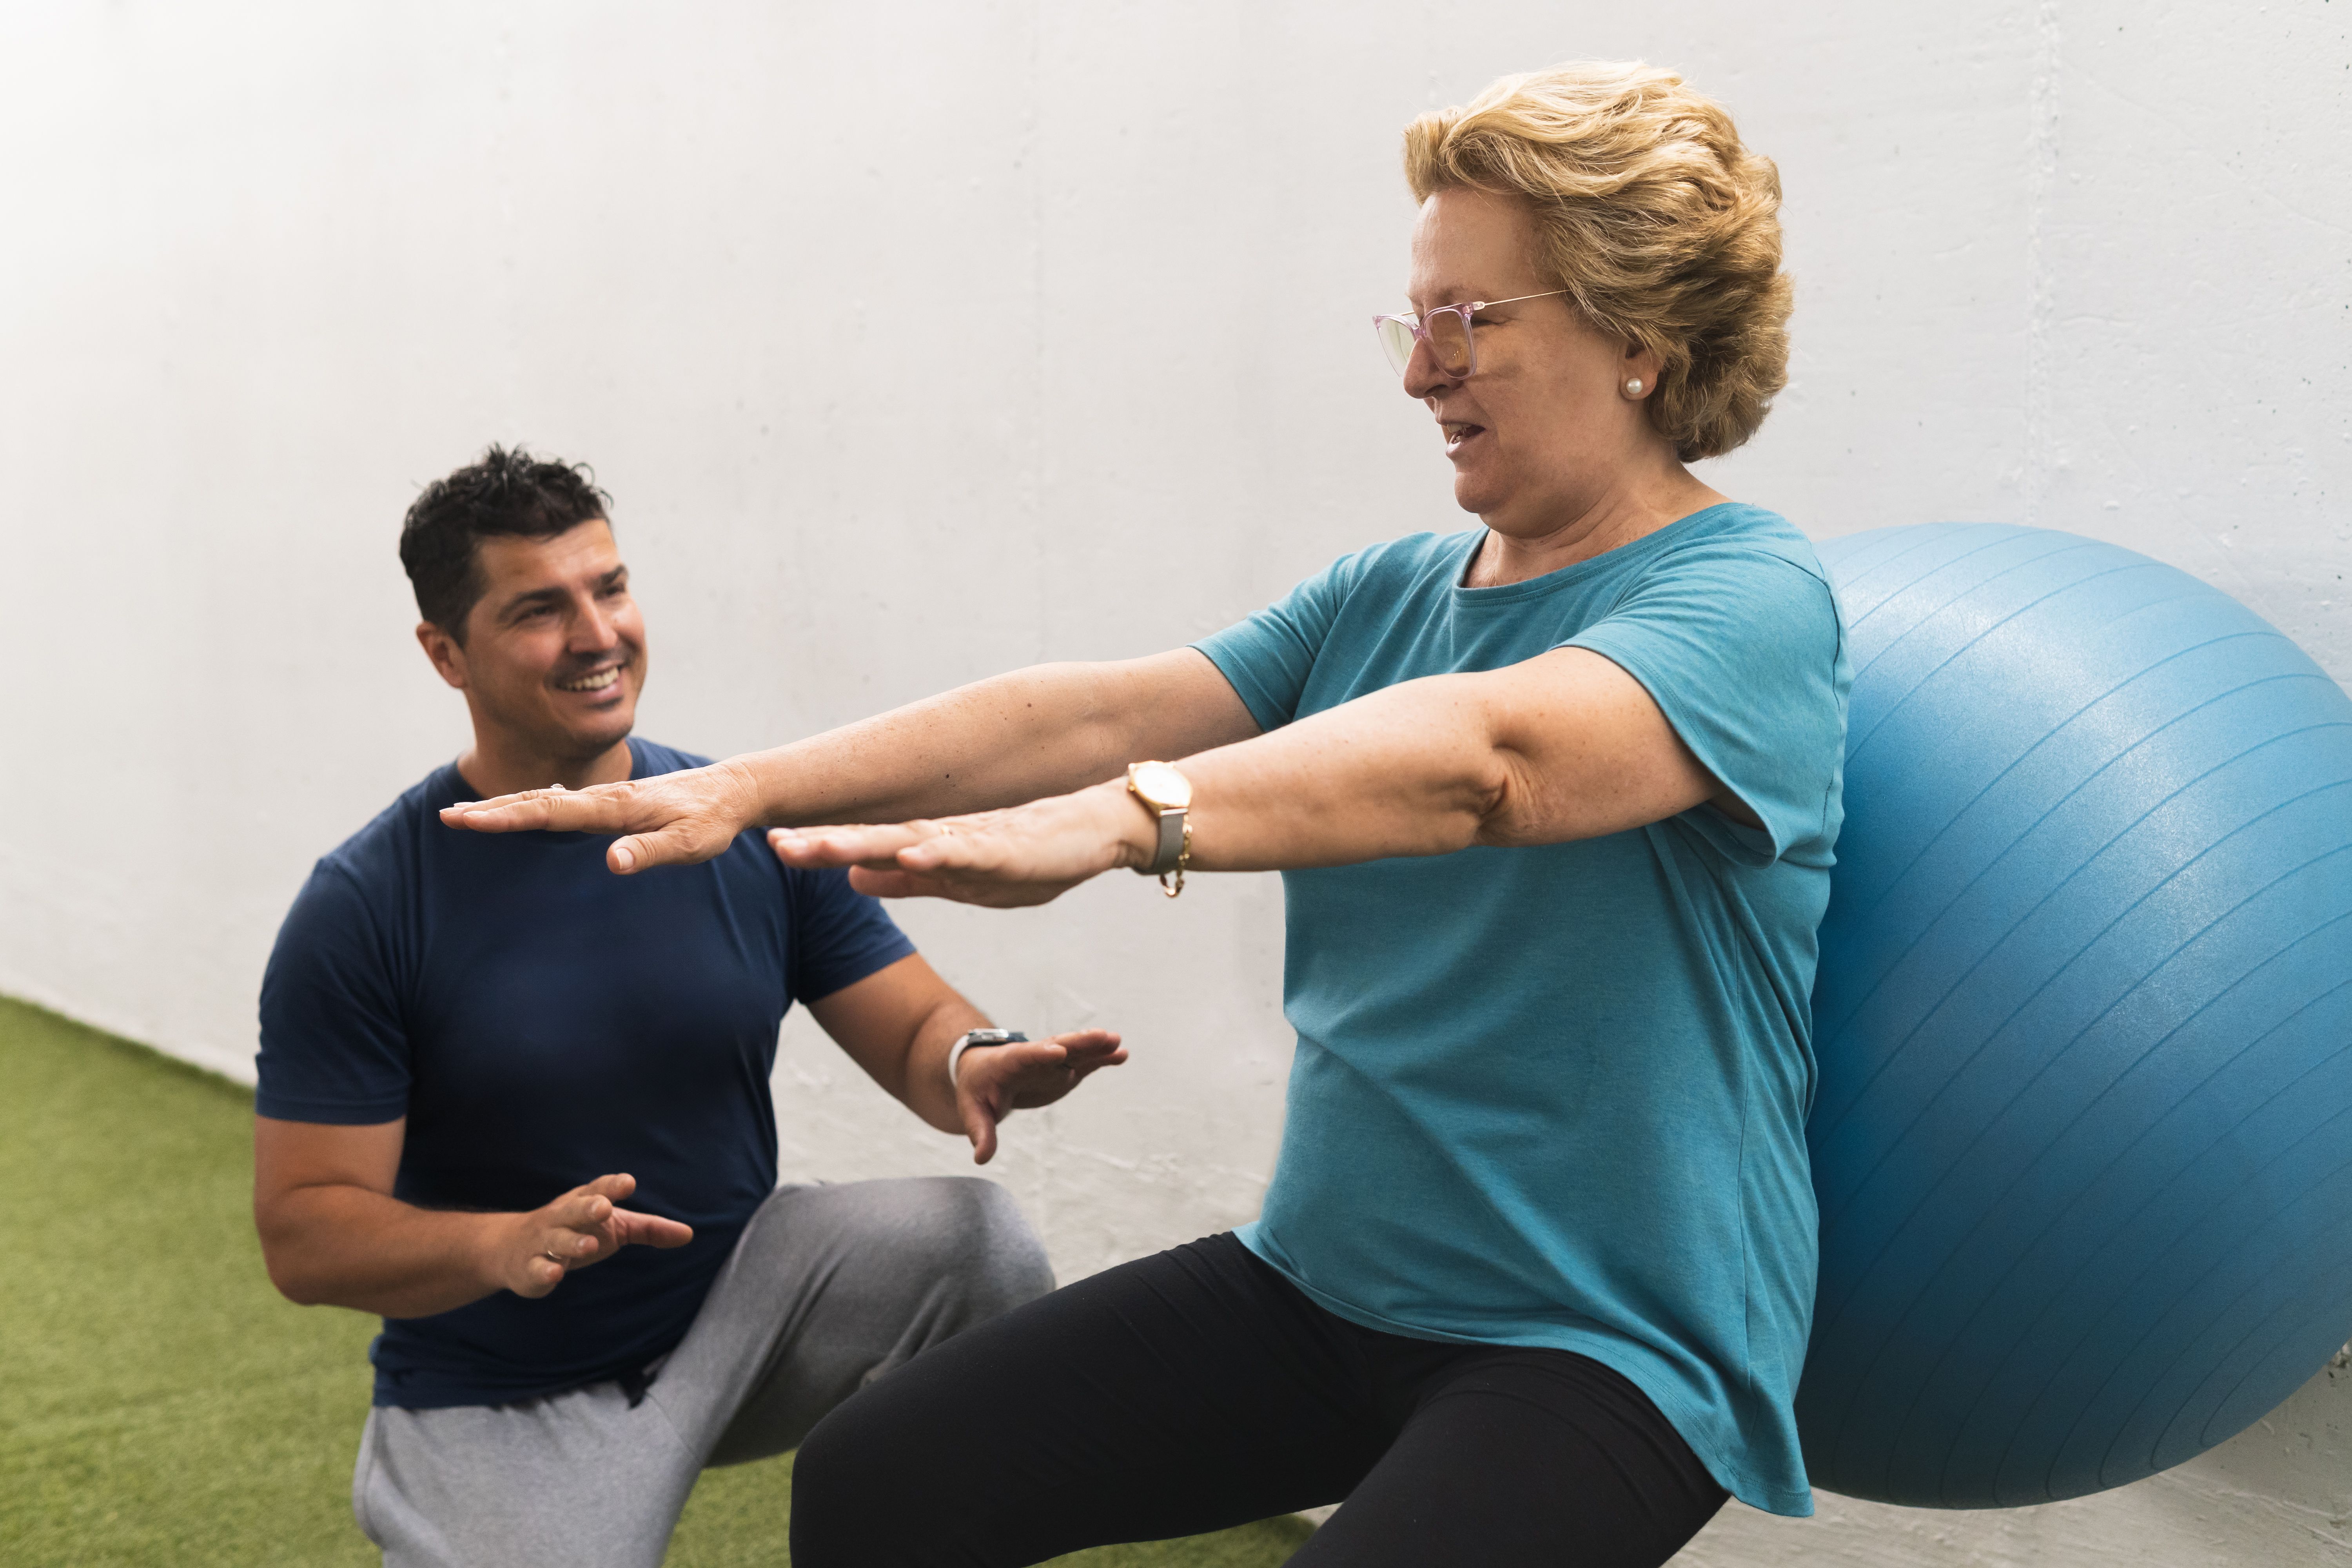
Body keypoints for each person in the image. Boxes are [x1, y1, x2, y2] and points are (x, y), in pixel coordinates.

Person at [446, 60, 1846, 1568]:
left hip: (1605, 1346)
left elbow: (1492, 761)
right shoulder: (1385, 595)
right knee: (884, 1482)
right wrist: (749, 783)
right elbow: (1095, 711)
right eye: (1414, 320)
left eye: (1470, 322)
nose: (1420, 372)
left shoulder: (1747, 600)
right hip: (1328, 1286)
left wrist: (1132, 823)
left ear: (1638, 338)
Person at [250, 447, 1126, 1568]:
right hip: (506, 1385)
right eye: (538, 609)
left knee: (976, 1244)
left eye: (608, 588)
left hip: (741, 1310)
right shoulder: (368, 904)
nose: (597, 634)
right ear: (445, 653)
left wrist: (974, 1059)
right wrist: (503, 1244)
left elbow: (914, 1028)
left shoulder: (738, 823)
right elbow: (306, 1232)